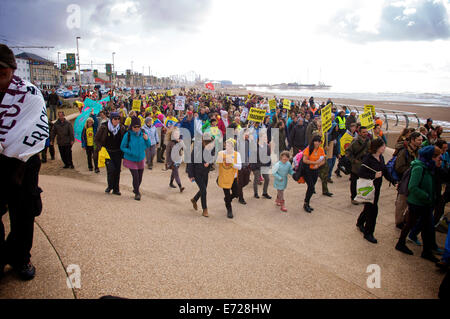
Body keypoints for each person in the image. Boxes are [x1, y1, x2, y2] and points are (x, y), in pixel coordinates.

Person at [0, 43, 48, 280]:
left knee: (24, 214)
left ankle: (20, 257)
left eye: (3, 74)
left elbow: (37, 129)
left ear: (12, 70)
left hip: (24, 165)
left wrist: (15, 151)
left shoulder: (29, 94)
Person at [395, 145, 442, 263]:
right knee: (413, 224)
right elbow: (412, 186)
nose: (439, 160)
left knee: (425, 227)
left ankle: (426, 250)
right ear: (431, 157)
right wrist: (425, 195)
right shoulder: (419, 168)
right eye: (438, 158)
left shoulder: (429, 167)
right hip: (418, 202)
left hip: (425, 203)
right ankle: (403, 244)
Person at [356, 138, 394, 244]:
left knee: (369, 207)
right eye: (383, 146)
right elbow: (360, 173)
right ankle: (368, 233)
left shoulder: (380, 157)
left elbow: (384, 171)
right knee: (372, 210)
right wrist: (373, 175)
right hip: (369, 187)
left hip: (377, 187)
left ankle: (360, 222)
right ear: (377, 147)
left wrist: (393, 181)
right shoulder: (368, 158)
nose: (384, 147)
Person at [394, 132, 423, 229]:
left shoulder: (419, 151)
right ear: (412, 140)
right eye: (419, 140)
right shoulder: (404, 152)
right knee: (401, 202)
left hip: (414, 180)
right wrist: (413, 169)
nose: (421, 142)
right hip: (405, 180)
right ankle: (399, 222)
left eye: (421, 140)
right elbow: (399, 167)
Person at [95, 112, 126, 195]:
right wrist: (100, 148)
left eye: (118, 119)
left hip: (118, 152)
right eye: (115, 119)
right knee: (111, 169)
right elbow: (97, 139)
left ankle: (116, 189)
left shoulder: (122, 128)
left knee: (117, 171)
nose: (117, 120)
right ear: (111, 119)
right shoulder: (104, 127)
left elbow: (125, 139)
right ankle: (110, 186)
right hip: (107, 152)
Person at [120, 117, 151, 200]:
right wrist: (131, 151)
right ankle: (137, 193)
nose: (136, 128)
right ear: (132, 126)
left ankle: (135, 189)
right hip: (130, 159)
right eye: (135, 127)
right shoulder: (128, 135)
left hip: (140, 158)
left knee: (140, 177)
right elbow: (122, 147)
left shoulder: (143, 134)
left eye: (138, 127)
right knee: (136, 176)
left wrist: (147, 139)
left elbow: (148, 145)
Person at [187, 133, 215, 217]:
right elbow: (190, 162)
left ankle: (194, 199)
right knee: (204, 191)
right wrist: (191, 175)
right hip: (197, 173)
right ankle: (205, 209)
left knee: (204, 189)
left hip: (205, 172)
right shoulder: (196, 149)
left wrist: (209, 163)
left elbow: (212, 157)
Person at [217, 138, 242, 219]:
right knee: (227, 195)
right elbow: (217, 163)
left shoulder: (237, 154)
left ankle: (227, 199)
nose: (227, 147)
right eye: (226, 145)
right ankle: (229, 210)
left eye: (229, 145)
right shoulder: (221, 153)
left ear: (233, 147)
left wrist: (232, 163)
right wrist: (222, 158)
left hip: (233, 178)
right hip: (224, 177)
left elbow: (239, 167)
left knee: (236, 194)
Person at [346, 126, 370, 205]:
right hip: (356, 166)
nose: (365, 133)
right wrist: (353, 161)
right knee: (354, 182)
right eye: (363, 132)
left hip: (365, 165)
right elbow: (348, 152)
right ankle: (354, 197)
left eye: (366, 132)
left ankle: (362, 197)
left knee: (364, 182)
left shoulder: (368, 141)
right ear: (359, 133)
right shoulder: (355, 141)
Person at [302, 135, 326, 213]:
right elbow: (304, 160)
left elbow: (323, 160)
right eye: (315, 141)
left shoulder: (321, 150)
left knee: (311, 188)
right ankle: (306, 203)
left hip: (315, 171)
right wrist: (314, 162)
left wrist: (318, 165)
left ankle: (307, 203)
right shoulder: (309, 149)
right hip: (307, 170)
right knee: (311, 187)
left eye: (318, 141)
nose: (317, 143)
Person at [251, 133, 272, 199]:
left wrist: (269, 164)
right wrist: (253, 168)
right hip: (257, 166)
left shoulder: (267, 147)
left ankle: (264, 192)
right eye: (264, 137)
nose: (265, 139)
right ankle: (256, 193)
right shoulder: (255, 147)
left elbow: (268, 156)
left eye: (266, 138)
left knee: (267, 179)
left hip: (265, 166)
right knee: (256, 180)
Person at [166, 127, 185, 192]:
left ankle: (171, 183)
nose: (177, 136)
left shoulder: (180, 141)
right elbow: (167, 153)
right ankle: (180, 186)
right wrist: (167, 162)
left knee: (174, 172)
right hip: (172, 161)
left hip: (178, 160)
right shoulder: (170, 143)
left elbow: (183, 148)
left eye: (178, 134)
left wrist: (180, 143)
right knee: (176, 173)